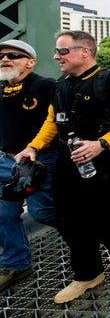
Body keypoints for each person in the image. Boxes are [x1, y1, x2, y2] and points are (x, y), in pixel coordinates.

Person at [15, 31, 110, 304]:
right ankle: (88, 273)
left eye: (63, 51)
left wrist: (101, 144)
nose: (56, 57)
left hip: (103, 162)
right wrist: (33, 147)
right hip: (67, 162)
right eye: (57, 51)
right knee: (69, 219)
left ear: (85, 52)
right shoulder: (61, 86)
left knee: (102, 215)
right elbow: (51, 121)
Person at [0, 40, 58, 292]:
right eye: (1, 56)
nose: (4, 59)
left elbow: (60, 120)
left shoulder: (46, 86)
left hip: (39, 160)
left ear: (30, 62)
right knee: (3, 213)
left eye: (13, 55)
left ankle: (90, 230)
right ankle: (16, 263)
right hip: (6, 159)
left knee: (42, 212)